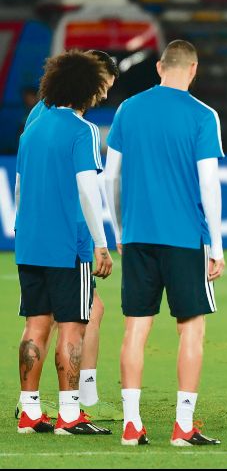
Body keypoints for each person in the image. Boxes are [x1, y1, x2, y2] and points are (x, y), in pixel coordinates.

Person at [104, 39, 224, 446]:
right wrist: (217, 246)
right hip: (185, 237)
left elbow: (109, 177)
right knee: (191, 330)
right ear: (193, 69)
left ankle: (131, 424)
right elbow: (209, 185)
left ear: (159, 67)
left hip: (138, 235)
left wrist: (119, 229)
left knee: (135, 329)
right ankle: (183, 426)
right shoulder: (203, 115)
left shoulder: (128, 109)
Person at [15, 49, 123, 422]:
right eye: (101, 86)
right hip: (68, 243)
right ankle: (71, 411)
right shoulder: (83, 130)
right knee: (75, 324)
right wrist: (100, 243)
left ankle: (29, 410)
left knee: (36, 324)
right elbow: (87, 191)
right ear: (87, 85)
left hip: (30, 240)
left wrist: (24, 228)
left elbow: (19, 186)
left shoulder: (32, 128)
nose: (103, 95)